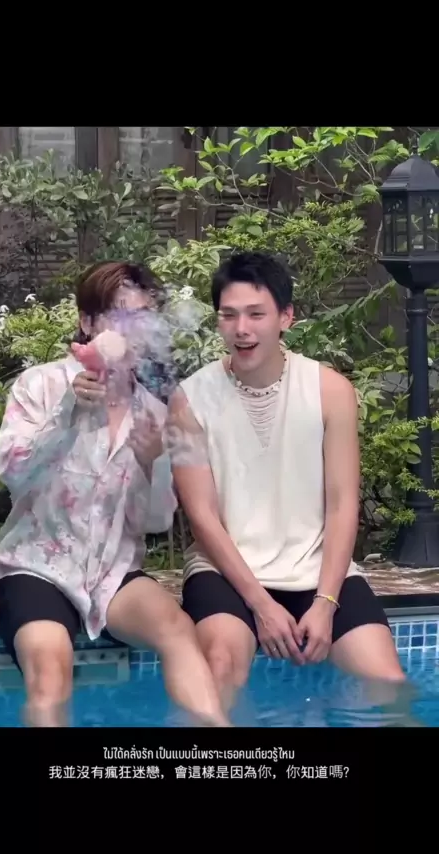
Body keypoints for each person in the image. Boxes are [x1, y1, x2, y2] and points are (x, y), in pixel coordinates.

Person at [167, 250, 412, 722]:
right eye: (229, 315)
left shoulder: (330, 390)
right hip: (225, 571)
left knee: (389, 687)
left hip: (315, 567)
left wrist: (325, 603)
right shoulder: (188, 400)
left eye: (256, 314)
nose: (242, 329)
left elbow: (342, 504)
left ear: (286, 317)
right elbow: (202, 516)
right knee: (220, 670)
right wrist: (261, 605)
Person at [0, 260, 229, 728]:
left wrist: (152, 462)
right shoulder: (41, 385)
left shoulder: (154, 411)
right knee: (50, 666)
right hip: (36, 565)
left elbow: (155, 522)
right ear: (88, 323)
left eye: (143, 318)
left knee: (179, 631)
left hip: (113, 571)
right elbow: (13, 474)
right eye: (119, 317)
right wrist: (68, 412)